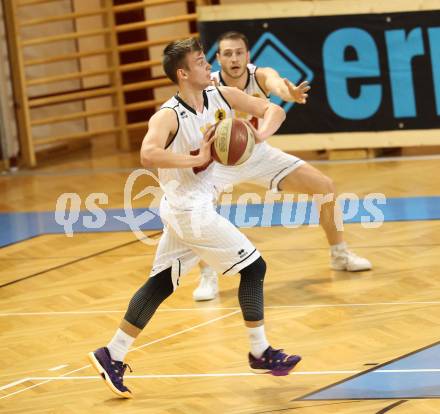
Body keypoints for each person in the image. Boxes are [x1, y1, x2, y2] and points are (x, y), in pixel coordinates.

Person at [88, 37, 301, 399]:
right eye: (202, 63)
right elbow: (147, 153)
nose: (209, 67)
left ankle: (112, 353)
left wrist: (256, 135)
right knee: (254, 268)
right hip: (188, 209)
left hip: (193, 206)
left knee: (161, 284)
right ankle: (260, 351)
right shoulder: (168, 114)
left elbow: (273, 110)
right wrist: (196, 158)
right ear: (183, 73)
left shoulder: (221, 95)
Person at [193, 31, 371, 301]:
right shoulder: (207, 86)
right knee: (197, 207)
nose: (234, 58)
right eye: (227, 53)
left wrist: (288, 92)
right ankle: (207, 275)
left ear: (248, 55)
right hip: (220, 161)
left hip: (258, 154)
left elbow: (277, 86)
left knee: (324, 187)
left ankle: (340, 255)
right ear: (217, 59)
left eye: (239, 52)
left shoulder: (260, 75)